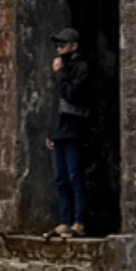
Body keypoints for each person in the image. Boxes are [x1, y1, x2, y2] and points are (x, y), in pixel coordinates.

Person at [44, 28, 92, 239]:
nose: (59, 48)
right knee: (60, 178)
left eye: (62, 44)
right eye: (57, 45)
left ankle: (78, 222)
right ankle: (65, 220)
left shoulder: (81, 68)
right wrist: (50, 132)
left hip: (73, 130)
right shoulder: (61, 69)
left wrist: (60, 73)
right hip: (59, 131)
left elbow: (71, 95)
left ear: (73, 46)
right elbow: (55, 103)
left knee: (74, 176)